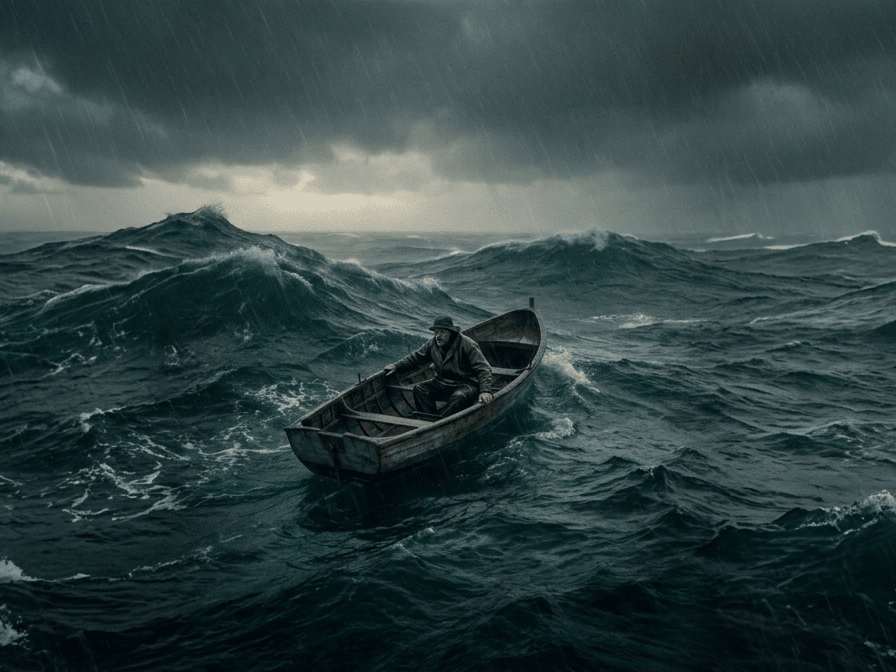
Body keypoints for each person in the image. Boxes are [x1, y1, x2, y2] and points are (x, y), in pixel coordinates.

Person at [384, 316, 493, 417]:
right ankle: (429, 419)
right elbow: (416, 357)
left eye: (442, 332)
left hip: (467, 384)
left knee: (459, 397)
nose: (438, 336)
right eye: (436, 332)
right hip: (442, 382)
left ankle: (442, 420)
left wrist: (485, 391)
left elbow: (483, 369)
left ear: (451, 332)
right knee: (420, 389)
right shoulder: (433, 343)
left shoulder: (468, 345)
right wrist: (396, 366)